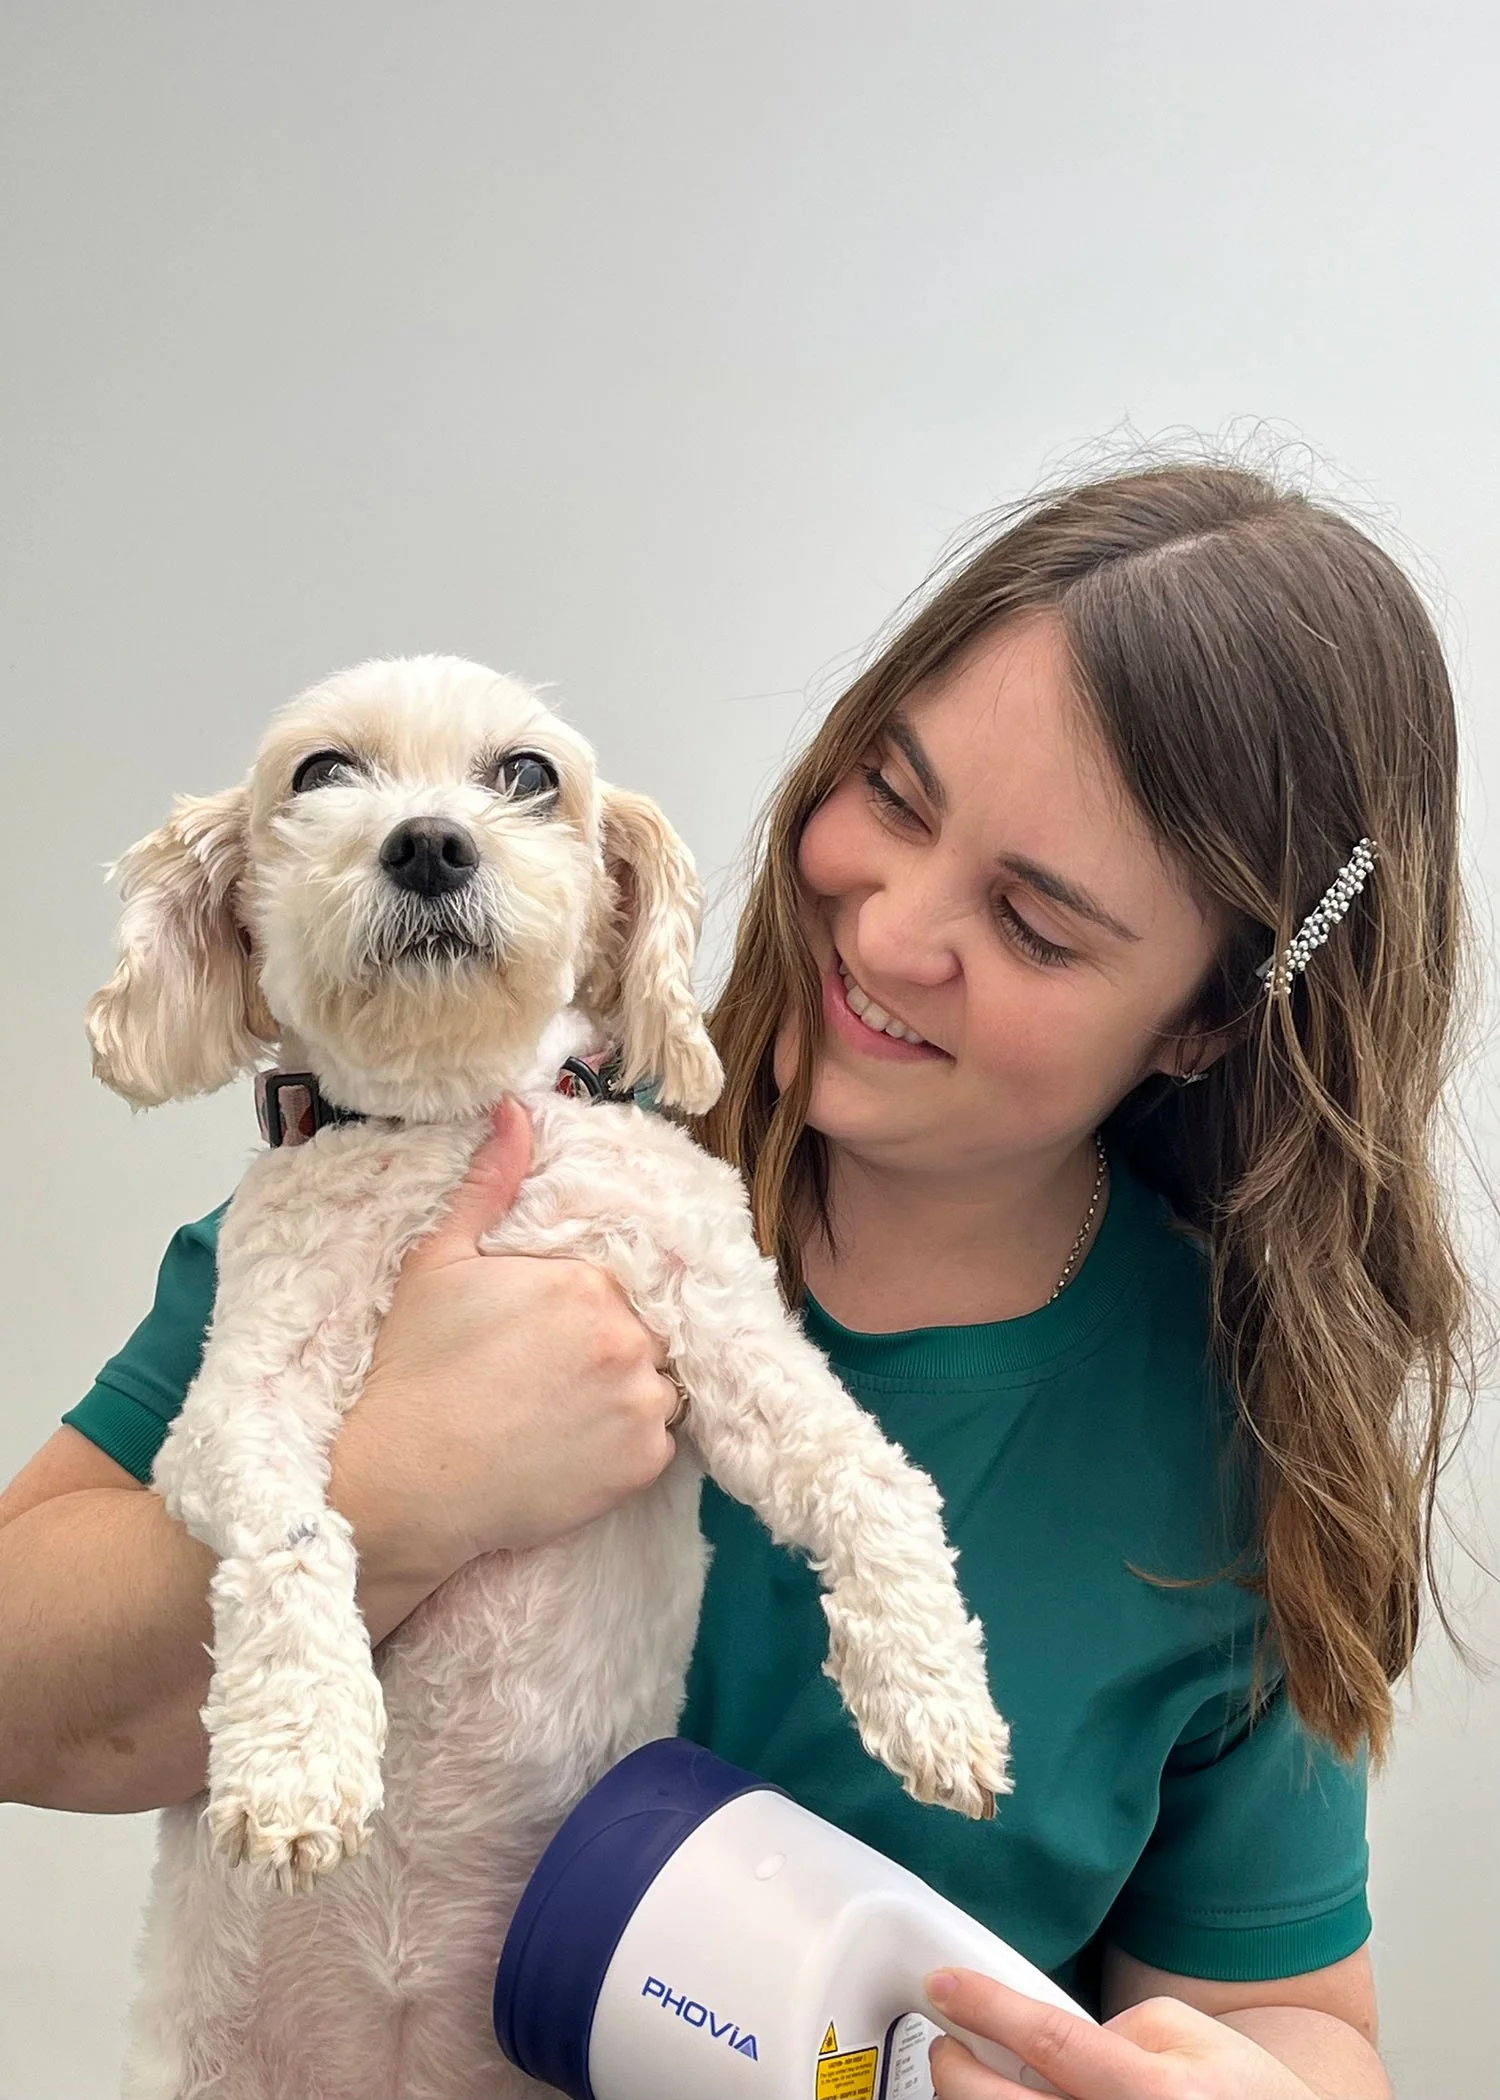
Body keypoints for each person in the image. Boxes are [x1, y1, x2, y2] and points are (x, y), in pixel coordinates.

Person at [0, 462, 1469, 2100]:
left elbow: (1294, 2020)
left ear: (1203, 1019)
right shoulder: (460, 1161)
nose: (891, 928)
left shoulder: (1228, 1439)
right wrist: (393, 1492)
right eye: (894, 797)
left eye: (1037, 924)